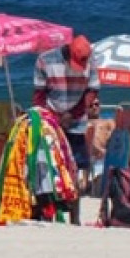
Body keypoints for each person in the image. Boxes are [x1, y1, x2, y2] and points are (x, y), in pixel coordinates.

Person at [33, 36, 99, 182]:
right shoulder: (45, 60)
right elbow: (39, 94)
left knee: (74, 165)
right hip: (51, 119)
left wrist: (73, 113)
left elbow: (92, 90)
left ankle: (73, 199)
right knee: (52, 164)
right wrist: (52, 119)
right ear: (68, 52)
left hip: (77, 120)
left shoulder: (91, 60)